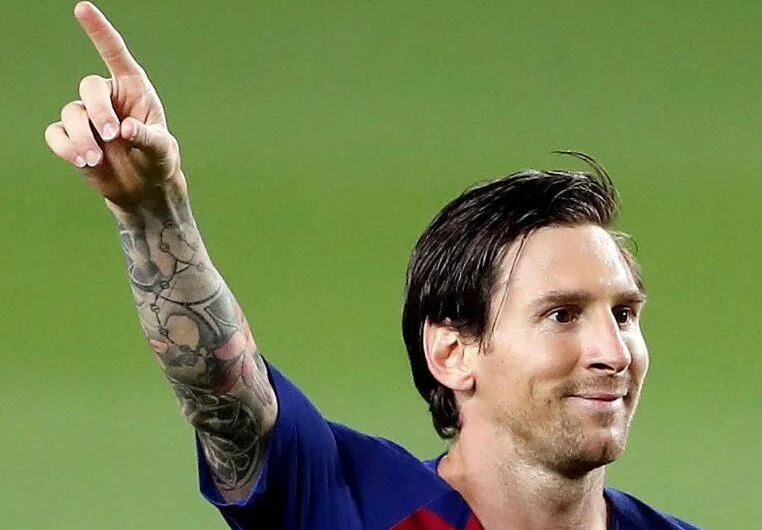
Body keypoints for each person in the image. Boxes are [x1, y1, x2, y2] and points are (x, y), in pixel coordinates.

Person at [44, 3, 701, 529]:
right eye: (562, 315)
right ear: (453, 353)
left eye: (623, 314)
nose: (613, 352)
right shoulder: (348, 505)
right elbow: (219, 388)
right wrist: (152, 210)